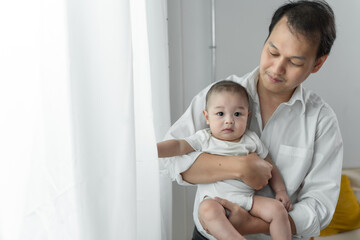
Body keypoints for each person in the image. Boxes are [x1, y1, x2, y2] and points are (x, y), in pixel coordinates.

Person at [160, 0, 343, 239]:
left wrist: (255, 225)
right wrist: (240, 167)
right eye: (272, 52)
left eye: (295, 62)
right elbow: (170, 162)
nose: (277, 68)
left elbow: (320, 206)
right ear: (265, 41)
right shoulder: (218, 97)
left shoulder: (321, 121)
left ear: (317, 63)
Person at [158, 81, 292, 240]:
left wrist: (280, 191)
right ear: (207, 117)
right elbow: (179, 146)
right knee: (207, 210)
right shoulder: (204, 138)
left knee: (278, 210)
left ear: (247, 115)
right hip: (215, 201)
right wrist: (152, 150)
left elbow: (271, 166)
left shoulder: (251, 139)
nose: (229, 120)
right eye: (220, 114)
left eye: (237, 114)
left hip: (247, 199)